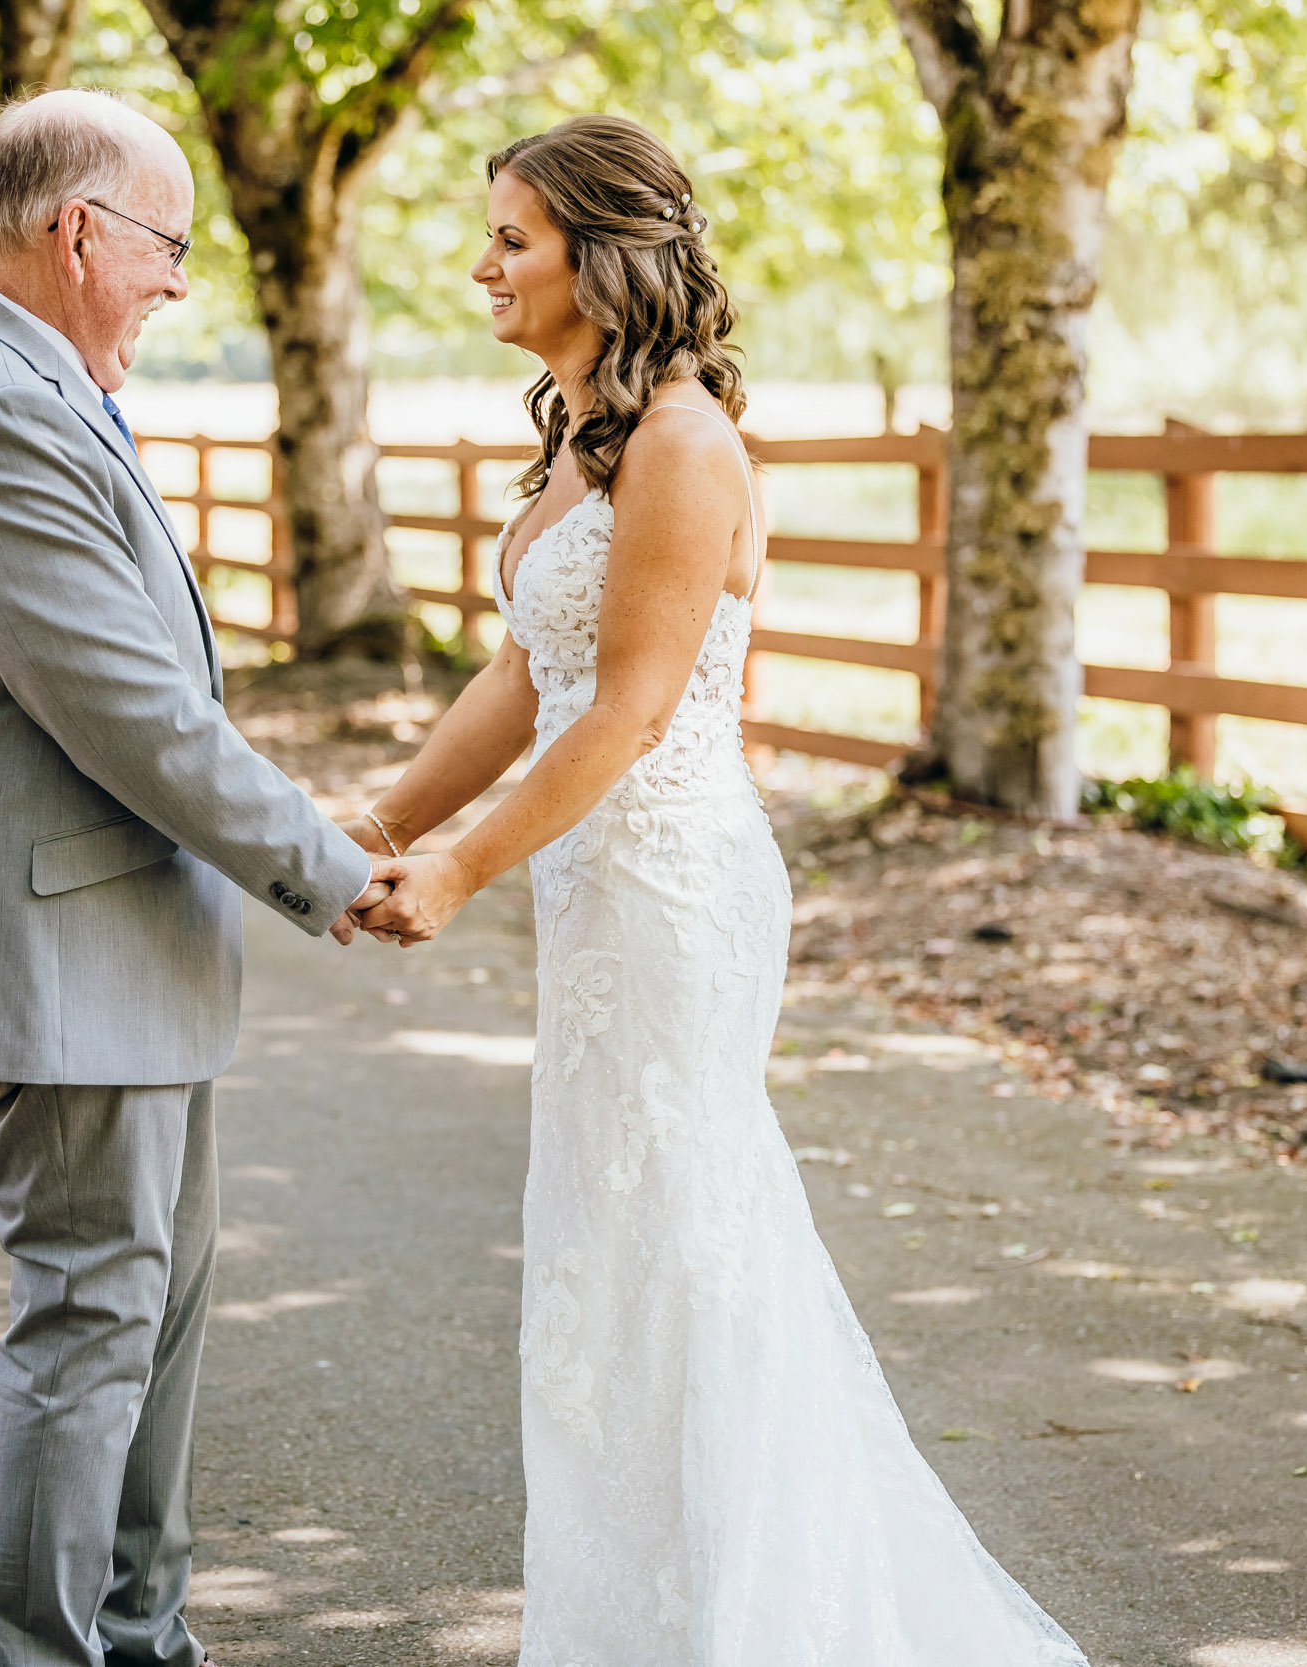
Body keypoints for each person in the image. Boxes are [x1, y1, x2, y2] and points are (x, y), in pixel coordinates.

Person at [352, 115, 1088, 1665]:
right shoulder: (577, 433)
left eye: (512, 237)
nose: (480, 263)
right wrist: (383, 817)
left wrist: (465, 866)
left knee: (688, 1252)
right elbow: (525, 667)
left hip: (672, 886)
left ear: (602, 260)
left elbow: (624, 709)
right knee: (611, 1273)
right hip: (598, 883)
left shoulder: (685, 445)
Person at [0, 89, 396, 1667]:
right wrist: (330, 867)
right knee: (90, 1325)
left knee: (147, 1325)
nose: (175, 282)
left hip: (115, 943)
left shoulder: (11, 378)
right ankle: (46, 1654)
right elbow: (134, 714)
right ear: (75, 229)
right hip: (61, 950)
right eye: (165, 245)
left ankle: (143, 1639)